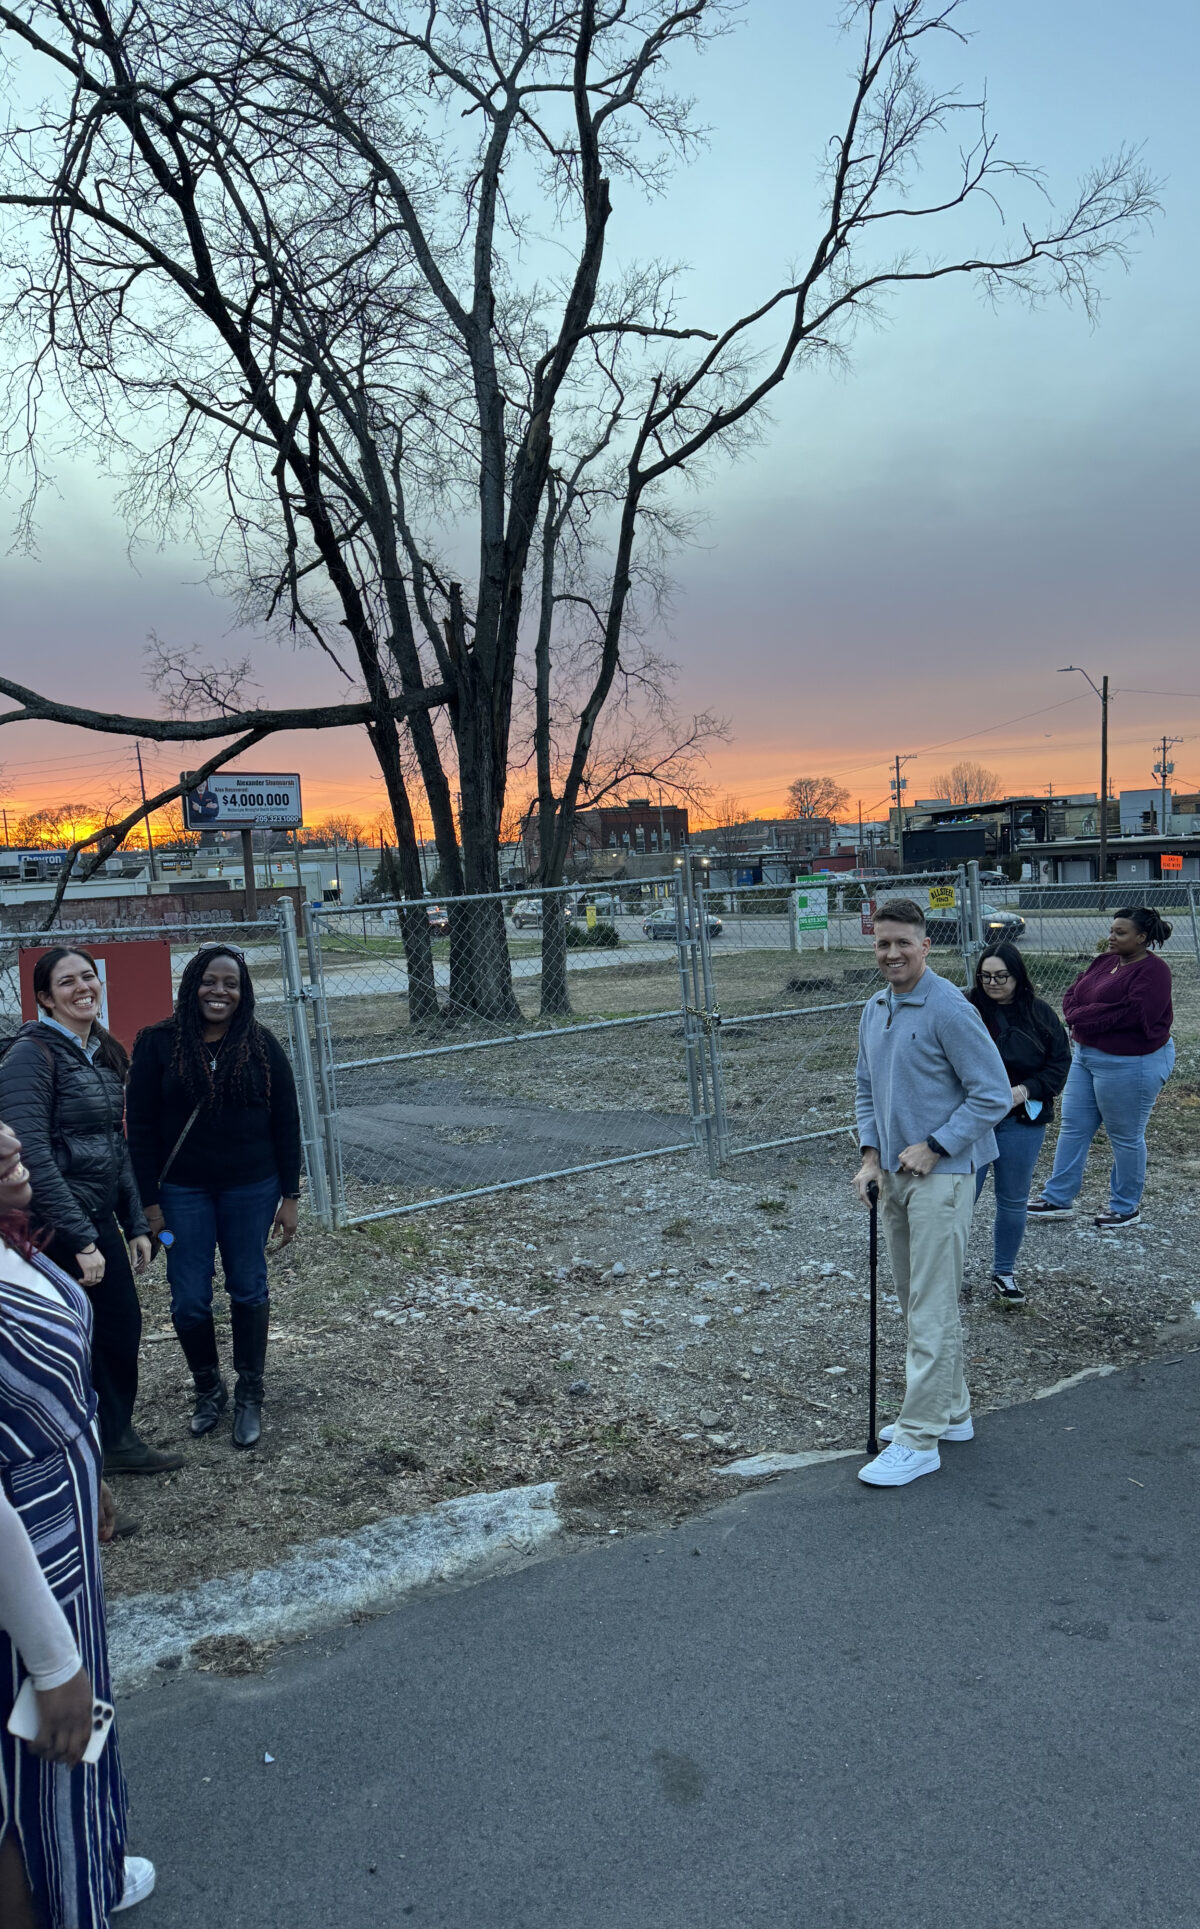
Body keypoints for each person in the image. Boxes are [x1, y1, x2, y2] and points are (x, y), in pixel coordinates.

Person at [0, 1118, 156, 1925]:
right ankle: (59, 1898)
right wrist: (52, 1658)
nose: (7, 1139)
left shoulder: (13, 1240)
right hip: (19, 1570)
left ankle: (87, 1863)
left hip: (62, 1532)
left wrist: (90, 1470)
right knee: (37, 1742)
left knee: (74, 1738)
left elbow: (57, 1395)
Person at [0, 948, 182, 1477]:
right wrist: (80, 1239)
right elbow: (29, 1152)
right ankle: (72, 1458)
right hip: (52, 1227)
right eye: (67, 982)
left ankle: (116, 1440)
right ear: (43, 997)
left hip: (97, 1219)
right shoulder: (32, 1056)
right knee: (67, 1344)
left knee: (119, 1329)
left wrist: (135, 1225)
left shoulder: (98, 1052)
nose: (83, 987)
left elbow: (113, 1145)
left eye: (88, 977)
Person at [854, 899, 1011, 1487]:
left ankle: (920, 1439)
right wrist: (871, 1157)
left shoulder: (949, 1008)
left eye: (903, 943)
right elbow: (866, 1086)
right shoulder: (875, 1008)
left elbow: (993, 1094)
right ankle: (953, 1411)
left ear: (926, 947)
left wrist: (937, 1146)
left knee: (932, 1304)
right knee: (915, 1299)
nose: (891, 953)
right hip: (893, 1174)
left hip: (943, 1176)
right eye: (882, 944)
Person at [126, 946, 301, 1450]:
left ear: (242, 993)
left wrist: (289, 1196)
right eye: (209, 980)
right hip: (181, 1197)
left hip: (252, 1189)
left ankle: (250, 1391)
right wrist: (151, 1205)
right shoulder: (158, 1044)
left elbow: (286, 1122)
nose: (219, 991)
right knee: (187, 1298)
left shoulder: (262, 1046)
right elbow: (138, 1128)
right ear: (191, 984)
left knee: (248, 1286)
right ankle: (209, 1389)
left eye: (231, 983)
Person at [1027, 907, 1175, 1230]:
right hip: (1086, 1056)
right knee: (1073, 1127)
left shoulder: (1155, 972)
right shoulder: (1104, 961)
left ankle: (1125, 1207)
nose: (1111, 936)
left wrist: (1080, 1015)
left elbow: (1132, 1014)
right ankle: (1057, 1198)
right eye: (1112, 930)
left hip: (1131, 1063)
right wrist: (1080, 1012)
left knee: (1124, 1136)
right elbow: (1072, 995)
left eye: (1120, 933)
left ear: (1142, 938)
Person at [966, 943, 1071, 1305]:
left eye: (1001, 976)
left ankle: (1004, 1272)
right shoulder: (965, 1009)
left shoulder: (1040, 1014)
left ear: (1017, 976)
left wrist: (1024, 1091)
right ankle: (945, 1271)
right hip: (972, 1122)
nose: (992, 983)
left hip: (1021, 1119)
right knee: (962, 1199)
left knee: (1012, 1200)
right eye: (985, 976)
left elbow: (1059, 1064)